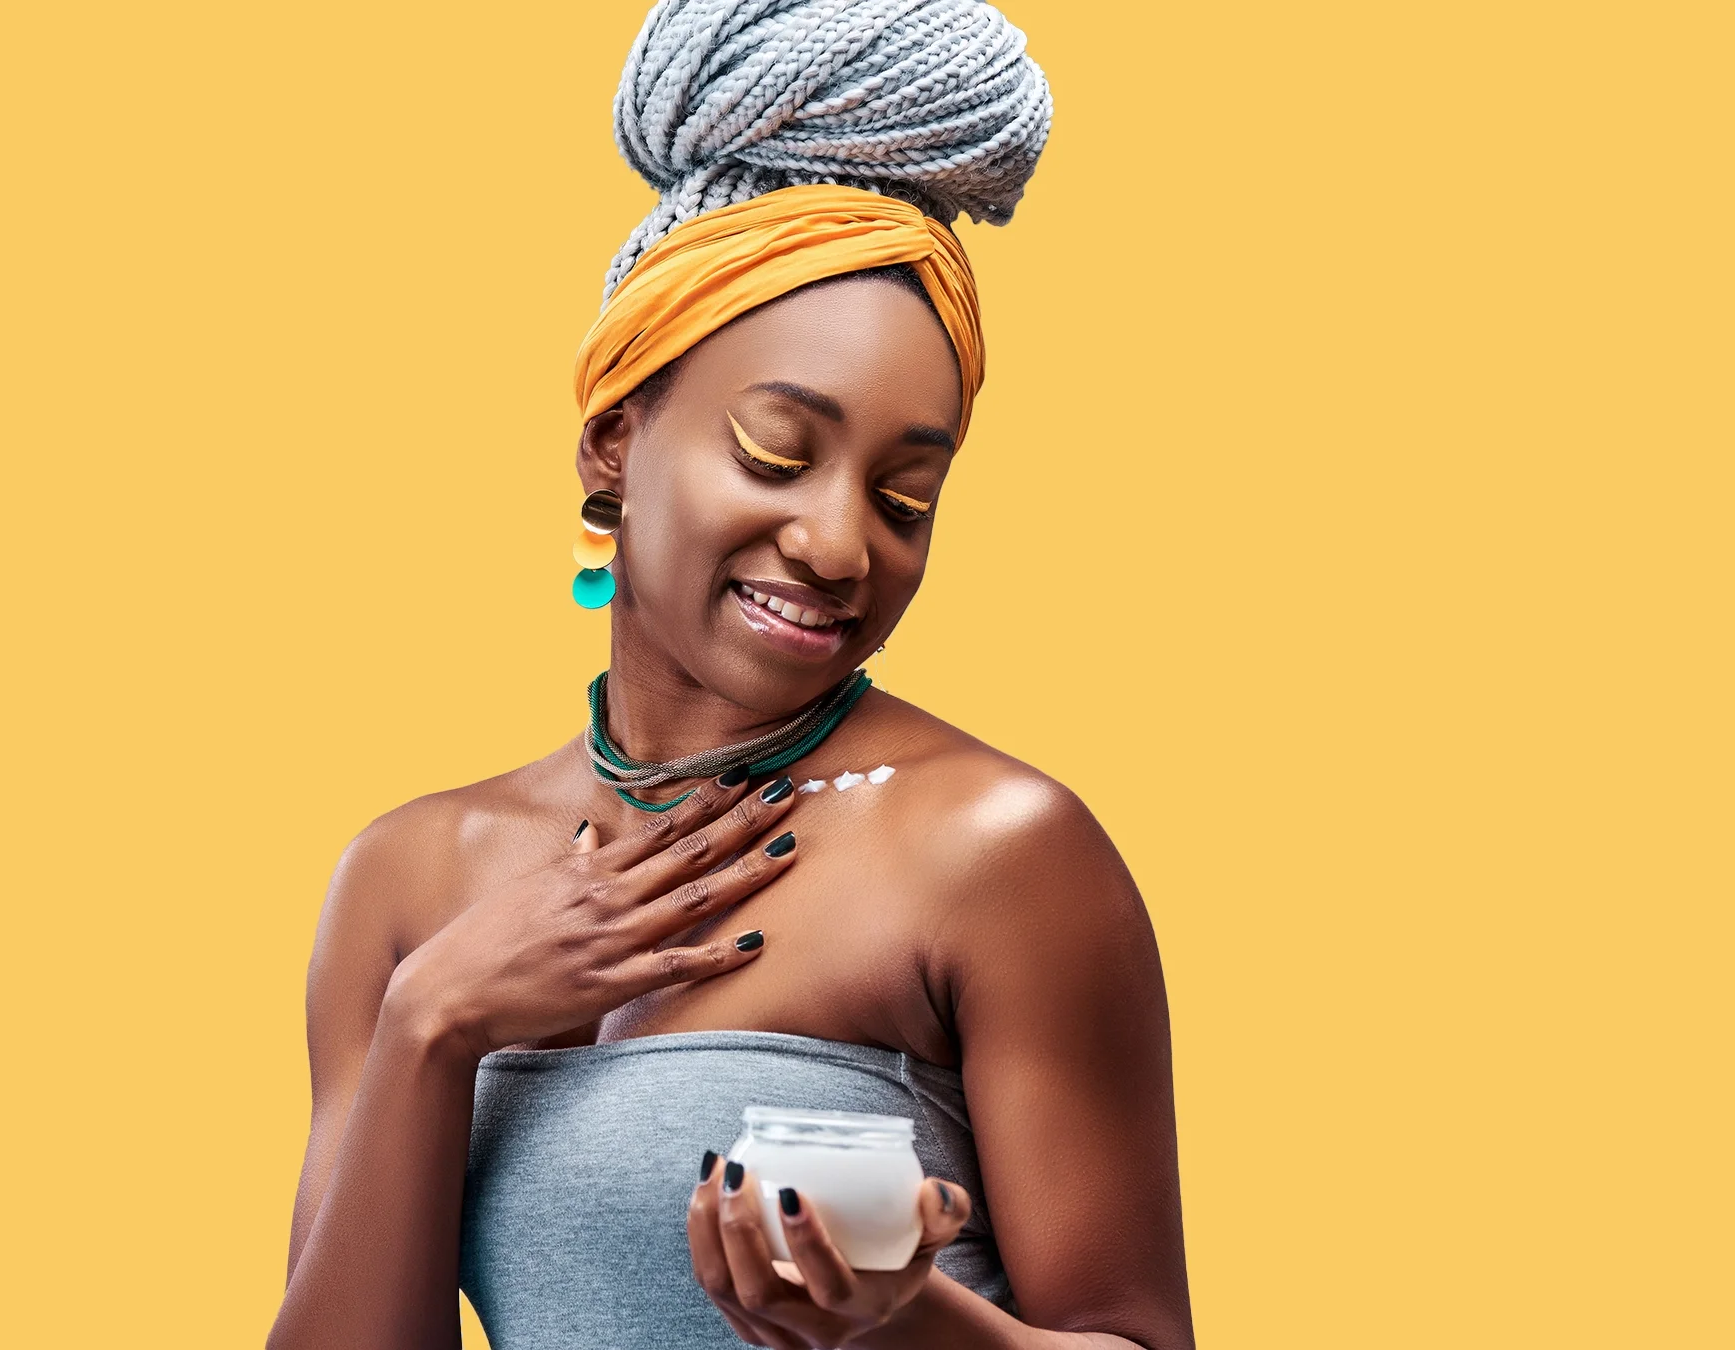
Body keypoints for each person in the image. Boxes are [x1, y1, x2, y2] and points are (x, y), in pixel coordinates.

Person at [271, 3, 1193, 1347]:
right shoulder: (410, 884)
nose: (836, 542)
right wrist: (434, 1022)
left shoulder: (995, 853)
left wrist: (900, 1323)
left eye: (904, 494)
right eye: (775, 453)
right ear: (612, 441)